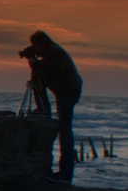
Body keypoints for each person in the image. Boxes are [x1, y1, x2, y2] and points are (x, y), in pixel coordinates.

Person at [20, 30, 83, 183]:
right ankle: (42, 108)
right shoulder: (51, 51)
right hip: (66, 90)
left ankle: (65, 174)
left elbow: (56, 69)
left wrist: (37, 63)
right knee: (64, 130)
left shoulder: (55, 52)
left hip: (68, 92)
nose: (37, 51)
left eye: (36, 47)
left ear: (43, 44)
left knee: (65, 131)